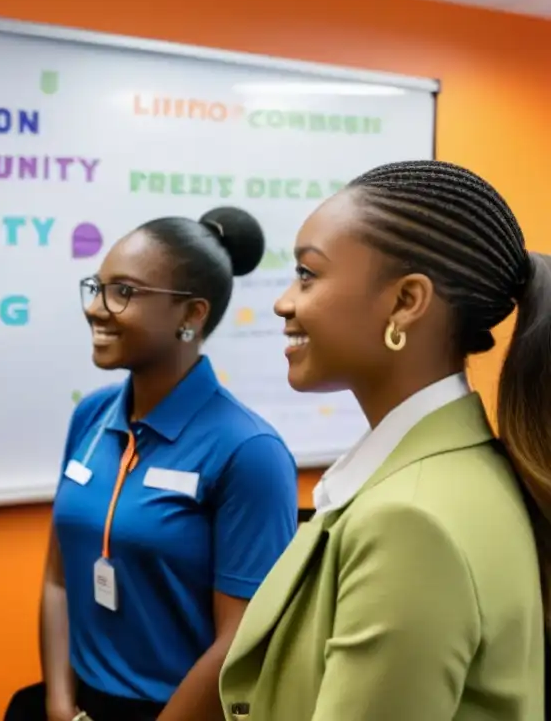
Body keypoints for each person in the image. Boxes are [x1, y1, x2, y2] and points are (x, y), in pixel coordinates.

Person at [219, 160, 550, 720]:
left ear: (405, 302)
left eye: (308, 274)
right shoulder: (445, 475)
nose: (284, 302)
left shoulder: (409, 520)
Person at [39, 207, 300, 721]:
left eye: (124, 292)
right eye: (97, 287)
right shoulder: (91, 415)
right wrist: (59, 706)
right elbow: (58, 579)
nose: (96, 308)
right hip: (81, 707)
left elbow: (241, 642)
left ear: (191, 315)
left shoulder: (249, 451)